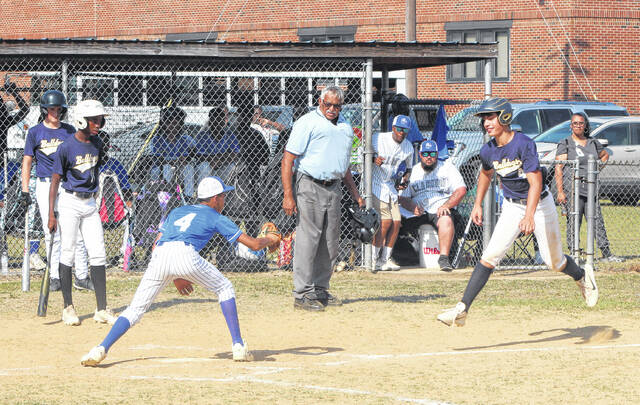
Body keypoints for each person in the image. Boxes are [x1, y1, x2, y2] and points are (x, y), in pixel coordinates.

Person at [80, 176, 280, 366]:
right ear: (215, 198)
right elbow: (254, 245)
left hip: (159, 256)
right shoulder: (215, 216)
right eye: (223, 196)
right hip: (185, 254)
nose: (224, 200)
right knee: (225, 288)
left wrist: (175, 275)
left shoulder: (178, 211)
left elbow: (156, 243)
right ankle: (238, 346)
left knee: (134, 310)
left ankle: (100, 349)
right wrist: (270, 240)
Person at [436, 98, 598, 327]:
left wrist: (530, 215)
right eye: (484, 119)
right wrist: (477, 203)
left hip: (540, 205)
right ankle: (462, 309)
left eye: (490, 117)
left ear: (504, 117)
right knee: (489, 257)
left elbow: (536, 183)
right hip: (512, 206)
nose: (486, 123)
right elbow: (485, 173)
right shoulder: (488, 150)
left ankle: (582, 276)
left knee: (554, 262)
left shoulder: (523, 144)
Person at [282, 85, 364, 312]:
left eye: (336, 105)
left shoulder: (346, 126)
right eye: (327, 104)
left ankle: (320, 289)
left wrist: (355, 193)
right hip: (309, 184)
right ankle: (302, 294)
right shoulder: (307, 122)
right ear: (320, 102)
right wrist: (288, 195)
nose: (331, 109)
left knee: (330, 240)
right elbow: (288, 159)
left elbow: (344, 164)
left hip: (334, 186)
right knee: (309, 239)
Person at [48, 99, 115, 326]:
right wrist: (51, 213)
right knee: (67, 251)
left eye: (100, 120)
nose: (98, 124)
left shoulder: (97, 144)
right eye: (94, 120)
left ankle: (101, 308)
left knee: (98, 253)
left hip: (89, 204)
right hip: (69, 202)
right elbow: (55, 181)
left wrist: (94, 195)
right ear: (81, 120)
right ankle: (68, 307)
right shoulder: (66, 147)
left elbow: (95, 170)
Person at [21, 90, 93, 292]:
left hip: (67, 184)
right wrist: (25, 190)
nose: (56, 113)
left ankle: (81, 275)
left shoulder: (70, 130)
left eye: (59, 109)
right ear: (44, 110)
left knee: (76, 230)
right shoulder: (35, 132)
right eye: (52, 109)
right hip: (45, 184)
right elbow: (27, 161)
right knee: (51, 230)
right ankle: (55, 277)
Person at [555, 112, 621, 262]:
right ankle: (574, 253)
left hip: (590, 189)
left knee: (597, 221)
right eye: (575, 123)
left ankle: (606, 253)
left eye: (581, 123)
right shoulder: (565, 143)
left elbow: (604, 156)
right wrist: (560, 191)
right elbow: (559, 168)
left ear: (585, 125)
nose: (578, 126)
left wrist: (595, 169)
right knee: (574, 221)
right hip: (573, 189)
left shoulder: (592, 142)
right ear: (571, 126)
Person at [398, 140, 467, 271]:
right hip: (418, 211)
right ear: (420, 155)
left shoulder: (447, 168)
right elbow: (402, 197)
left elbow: (461, 190)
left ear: (436, 154)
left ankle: (444, 259)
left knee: (446, 218)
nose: (428, 157)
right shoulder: (413, 172)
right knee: (396, 220)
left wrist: (446, 205)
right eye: (425, 153)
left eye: (432, 153)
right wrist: (412, 207)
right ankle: (394, 256)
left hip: (440, 209)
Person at [371, 114, 414, 271]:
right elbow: (361, 153)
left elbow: (408, 168)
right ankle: (373, 259)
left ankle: (385, 259)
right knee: (385, 221)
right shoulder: (378, 138)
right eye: (399, 129)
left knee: (396, 222)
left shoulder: (408, 146)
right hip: (375, 183)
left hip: (390, 186)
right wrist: (372, 159)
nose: (402, 133)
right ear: (393, 128)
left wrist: (405, 180)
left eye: (405, 130)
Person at [149, 106, 196, 199]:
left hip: (179, 169)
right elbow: (159, 160)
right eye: (169, 123)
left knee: (188, 168)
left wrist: (185, 159)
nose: (172, 126)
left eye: (175, 123)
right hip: (160, 170)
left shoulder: (184, 139)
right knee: (167, 168)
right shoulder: (157, 140)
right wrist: (175, 161)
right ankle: (168, 197)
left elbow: (188, 156)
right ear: (164, 124)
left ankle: (188, 197)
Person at [194, 106, 240, 183]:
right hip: (208, 166)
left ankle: (224, 192)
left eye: (220, 119)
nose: (217, 122)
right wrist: (213, 159)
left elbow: (235, 154)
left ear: (224, 121)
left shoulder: (230, 135)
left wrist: (219, 161)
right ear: (210, 121)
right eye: (214, 119)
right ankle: (204, 193)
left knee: (232, 166)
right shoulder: (203, 135)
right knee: (204, 166)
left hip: (222, 165)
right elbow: (200, 156)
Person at [1, 81, 29, 157]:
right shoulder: (4, 121)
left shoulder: (4, 121)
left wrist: (14, 92)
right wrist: (14, 92)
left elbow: (25, 110)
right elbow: (25, 109)